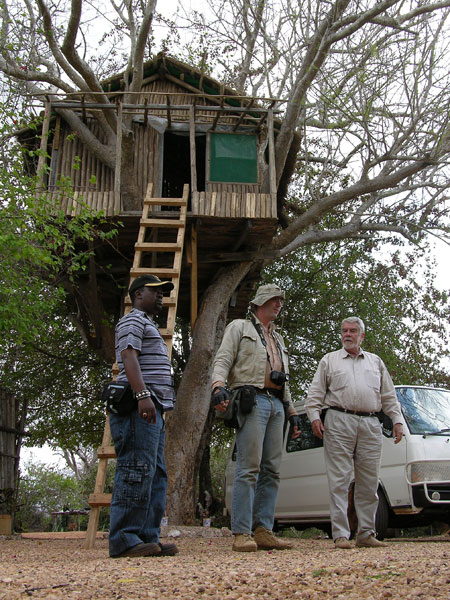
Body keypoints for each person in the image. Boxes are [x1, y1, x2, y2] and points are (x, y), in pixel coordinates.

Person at [211, 283, 301, 552]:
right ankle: (241, 532)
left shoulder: (279, 338)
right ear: (260, 301)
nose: (279, 305)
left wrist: (292, 411)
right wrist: (218, 386)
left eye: (280, 301)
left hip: (276, 404)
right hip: (252, 400)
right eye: (274, 300)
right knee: (248, 467)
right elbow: (223, 359)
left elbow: (284, 378)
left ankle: (263, 530)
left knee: (272, 469)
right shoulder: (239, 327)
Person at [305, 317, 403, 549]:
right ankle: (340, 534)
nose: (347, 334)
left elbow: (388, 396)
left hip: (370, 423)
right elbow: (315, 393)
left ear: (362, 336)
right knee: (339, 480)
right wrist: (314, 417)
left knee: (369, 481)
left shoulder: (375, 362)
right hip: (338, 420)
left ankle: (366, 533)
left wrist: (397, 420)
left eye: (353, 331)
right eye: (344, 331)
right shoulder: (329, 360)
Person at [108, 274, 178, 558]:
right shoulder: (132, 320)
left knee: (156, 473)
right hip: (140, 405)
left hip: (154, 407)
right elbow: (127, 356)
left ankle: (147, 536)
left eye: (164, 292)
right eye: (156, 291)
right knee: (136, 468)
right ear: (138, 295)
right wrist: (141, 395)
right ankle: (124, 539)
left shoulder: (148, 324)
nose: (162, 296)